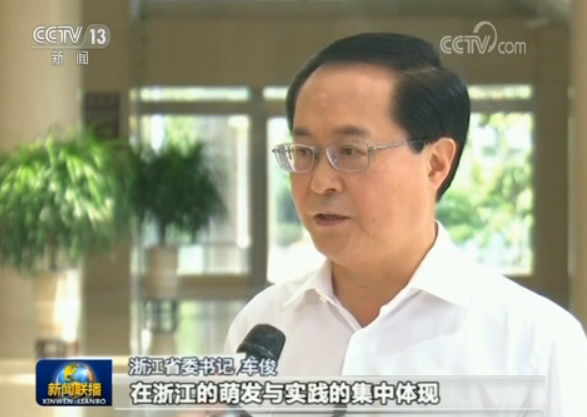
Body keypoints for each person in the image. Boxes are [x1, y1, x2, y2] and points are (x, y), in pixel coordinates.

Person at [224, 32, 587, 415]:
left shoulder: (534, 343)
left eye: (350, 151)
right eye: (304, 152)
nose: (320, 182)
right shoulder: (262, 324)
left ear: (435, 163)